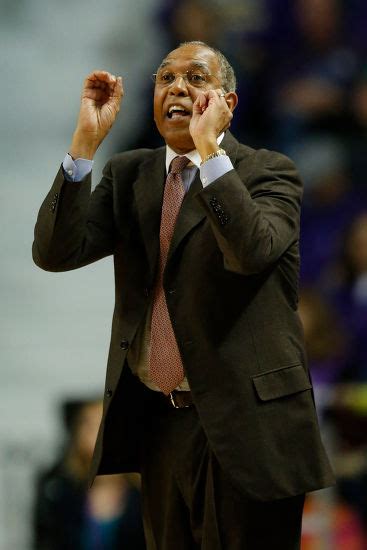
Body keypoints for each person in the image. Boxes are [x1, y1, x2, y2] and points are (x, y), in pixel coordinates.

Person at [33, 40, 334, 549]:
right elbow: (56, 252)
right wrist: (84, 145)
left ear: (228, 103)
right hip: (160, 422)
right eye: (165, 77)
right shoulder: (130, 173)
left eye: (195, 77)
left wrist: (209, 150)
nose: (176, 87)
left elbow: (251, 252)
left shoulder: (270, 172)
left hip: (250, 426)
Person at [33, 398, 146, 549]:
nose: (101, 435)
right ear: (79, 434)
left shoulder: (149, 492)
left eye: (109, 424)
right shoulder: (57, 490)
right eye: (92, 426)